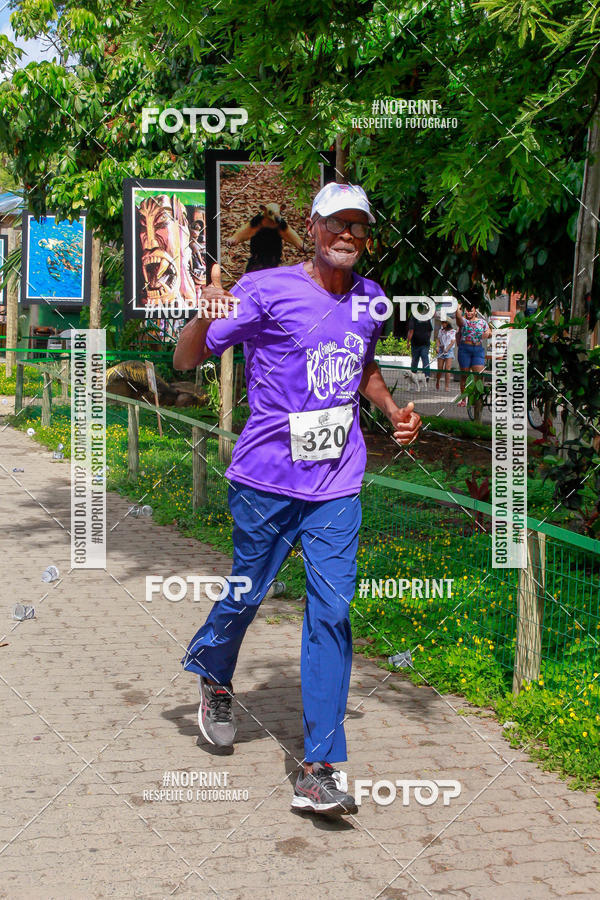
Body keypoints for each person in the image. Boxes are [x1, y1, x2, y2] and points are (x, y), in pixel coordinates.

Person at [173, 182, 421, 818]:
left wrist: (391, 408)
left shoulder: (372, 301)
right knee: (247, 593)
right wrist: (204, 309)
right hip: (265, 480)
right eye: (336, 223)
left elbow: (363, 368)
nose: (348, 235)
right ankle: (215, 673)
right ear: (311, 229)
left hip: (337, 482)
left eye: (359, 226)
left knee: (333, 613)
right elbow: (186, 358)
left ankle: (319, 766)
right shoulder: (265, 289)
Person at [455, 305, 492, 405]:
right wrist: (458, 307)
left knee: (478, 376)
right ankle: (463, 400)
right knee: (464, 376)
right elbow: (458, 318)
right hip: (465, 349)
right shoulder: (463, 321)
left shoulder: (482, 322)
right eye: (467, 311)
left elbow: (489, 332)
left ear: (476, 311)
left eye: (471, 311)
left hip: (478, 350)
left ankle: (476, 400)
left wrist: (487, 334)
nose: (469, 313)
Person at [406, 309, 433, 384]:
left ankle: (412, 375)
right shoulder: (426, 318)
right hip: (424, 343)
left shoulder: (413, 318)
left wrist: (408, 342)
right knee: (425, 359)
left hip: (416, 343)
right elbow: (430, 330)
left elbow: (411, 331)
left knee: (415, 360)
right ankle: (426, 375)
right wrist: (427, 338)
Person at [435, 320, 456, 391]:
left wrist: (447, 349)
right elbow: (438, 339)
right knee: (440, 368)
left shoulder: (453, 331)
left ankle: (447, 386)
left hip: (449, 350)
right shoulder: (441, 331)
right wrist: (437, 347)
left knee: (447, 369)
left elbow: (452, 342)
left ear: (448, 323)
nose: (443, 324)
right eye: (442, 323)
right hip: (441, 349)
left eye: (444, 323)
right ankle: (437, 381)